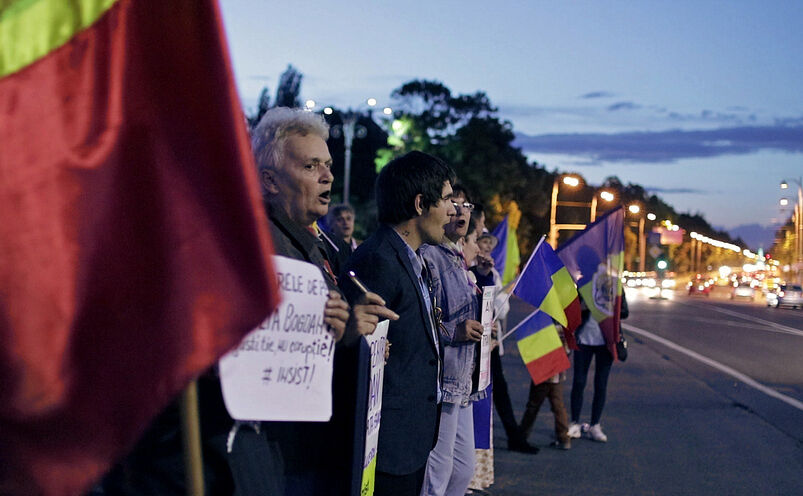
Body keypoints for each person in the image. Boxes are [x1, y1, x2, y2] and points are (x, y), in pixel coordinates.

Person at [252, 107, 398, 495]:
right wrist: (344, 332)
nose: (328, 175)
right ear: (270, 180)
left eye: (329, 164)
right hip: (279, 453)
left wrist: (358, 335)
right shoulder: (256, 247)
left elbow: (328, 335)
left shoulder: (313, 243)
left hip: (314, 446)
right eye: (311, 165)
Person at [341, 151, 456, 496]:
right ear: (421, 203)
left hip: (410, 439)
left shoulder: (412, 257)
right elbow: (356, 356)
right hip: (387, 446)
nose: (453, 210)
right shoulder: (378, 260)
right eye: (448, 199)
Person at [420, 186, 485, 496]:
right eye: (453, 204)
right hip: (443, 382)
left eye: (466, 205)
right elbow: (423, 324)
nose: (461, 211)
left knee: (463, 470)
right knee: (438, 473)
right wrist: (455, 332)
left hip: (464, 380)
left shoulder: (460, 259)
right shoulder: (430, 255)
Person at [567, 291, 629, 442]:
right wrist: (584, 306)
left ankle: (595, 425)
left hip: (606, 342)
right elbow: (572, 310)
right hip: (583, 339)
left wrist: (611, 306)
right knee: (579, 382)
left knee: (601, 384)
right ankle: (574, 423)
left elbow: (625, 312)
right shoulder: (584, 284)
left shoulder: (615, 286)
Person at [519, 324, 571, 450]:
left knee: (533, 405)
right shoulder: (564, 326)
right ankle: (564, 438)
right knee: (558, 406)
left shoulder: (542, 323)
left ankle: (521, 436)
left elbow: (533, 346)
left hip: (543, 370)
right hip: (557, 372)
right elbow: (568, 350)